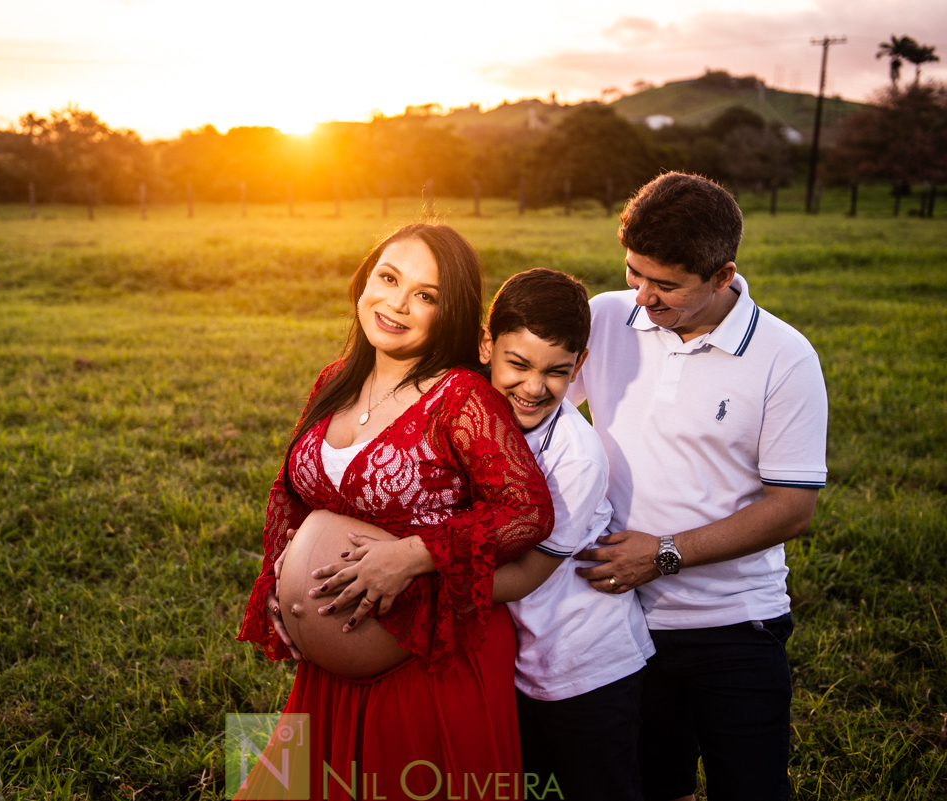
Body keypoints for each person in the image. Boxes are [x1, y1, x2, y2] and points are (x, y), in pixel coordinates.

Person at [236, 222, 554, 800]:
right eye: (388, 278)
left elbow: (526, 511)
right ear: (364, 282)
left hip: (427, 665)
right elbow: (294, 494)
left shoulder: (461, 397)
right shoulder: (336, 379)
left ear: (450, 312)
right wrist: (281, 574)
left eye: (425, 295)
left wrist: (414, 555)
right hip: (327, 676)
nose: (398, 304)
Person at [566, 172, 828, 801]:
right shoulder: (606, 317)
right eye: (634, 272)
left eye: (666, 285)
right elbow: (529, 407)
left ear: (721, 275)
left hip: (736, 622)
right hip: (618, 618)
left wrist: (662, 554)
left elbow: (792, 508)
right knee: (654, 785)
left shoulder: (785, 357)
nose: (643, 296)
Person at [478, 268, 655, 801]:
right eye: (518, 364)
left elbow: (526, 575)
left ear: (579, 366)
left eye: (557, 372)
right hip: (522, 659)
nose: (534, 388)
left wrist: (417, 582)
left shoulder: (576, 458)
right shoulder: (472, 409)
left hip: (588, 666)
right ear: (486, 347)